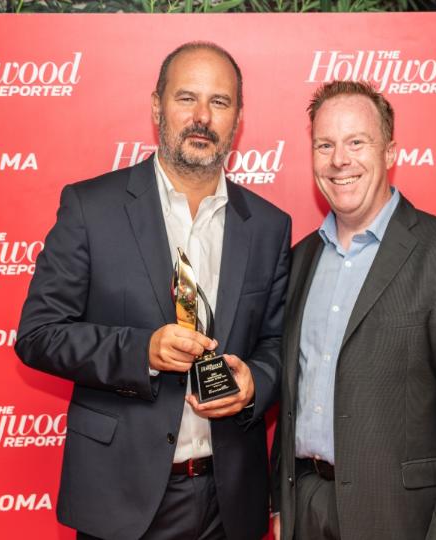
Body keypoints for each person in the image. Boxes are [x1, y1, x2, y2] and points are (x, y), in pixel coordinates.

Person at [15, 42, 291, 540]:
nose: (202, 117)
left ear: (239, 118)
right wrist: (140, 350)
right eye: (187, 98)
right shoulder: (90, 207)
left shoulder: (270, 226)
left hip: (230, 503)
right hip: (121, 499)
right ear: (156, 105)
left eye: (220, 102)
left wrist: (255, 383)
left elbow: (276, 344)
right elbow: (38, 334)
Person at [271, 81, 436, 540]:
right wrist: (282, 505)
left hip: (400, 518)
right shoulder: (299, 261)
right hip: (307, 510)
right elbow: (292, 398)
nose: (340, 159)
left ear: (391, 152)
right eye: (325, 144)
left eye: (357, 142)